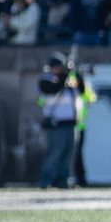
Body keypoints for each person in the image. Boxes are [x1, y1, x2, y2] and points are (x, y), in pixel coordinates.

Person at [36, 53, 87, 189]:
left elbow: (81, 90)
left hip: (71, 123)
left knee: (68, 155)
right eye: (57, 67)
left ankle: (64, 181)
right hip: (56, 123)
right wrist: (66, 75)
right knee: (54, 154)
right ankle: (46, 181)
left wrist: (76, 74)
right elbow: (53, 88)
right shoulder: (46, 79)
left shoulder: (68, 80)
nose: (58, 69)